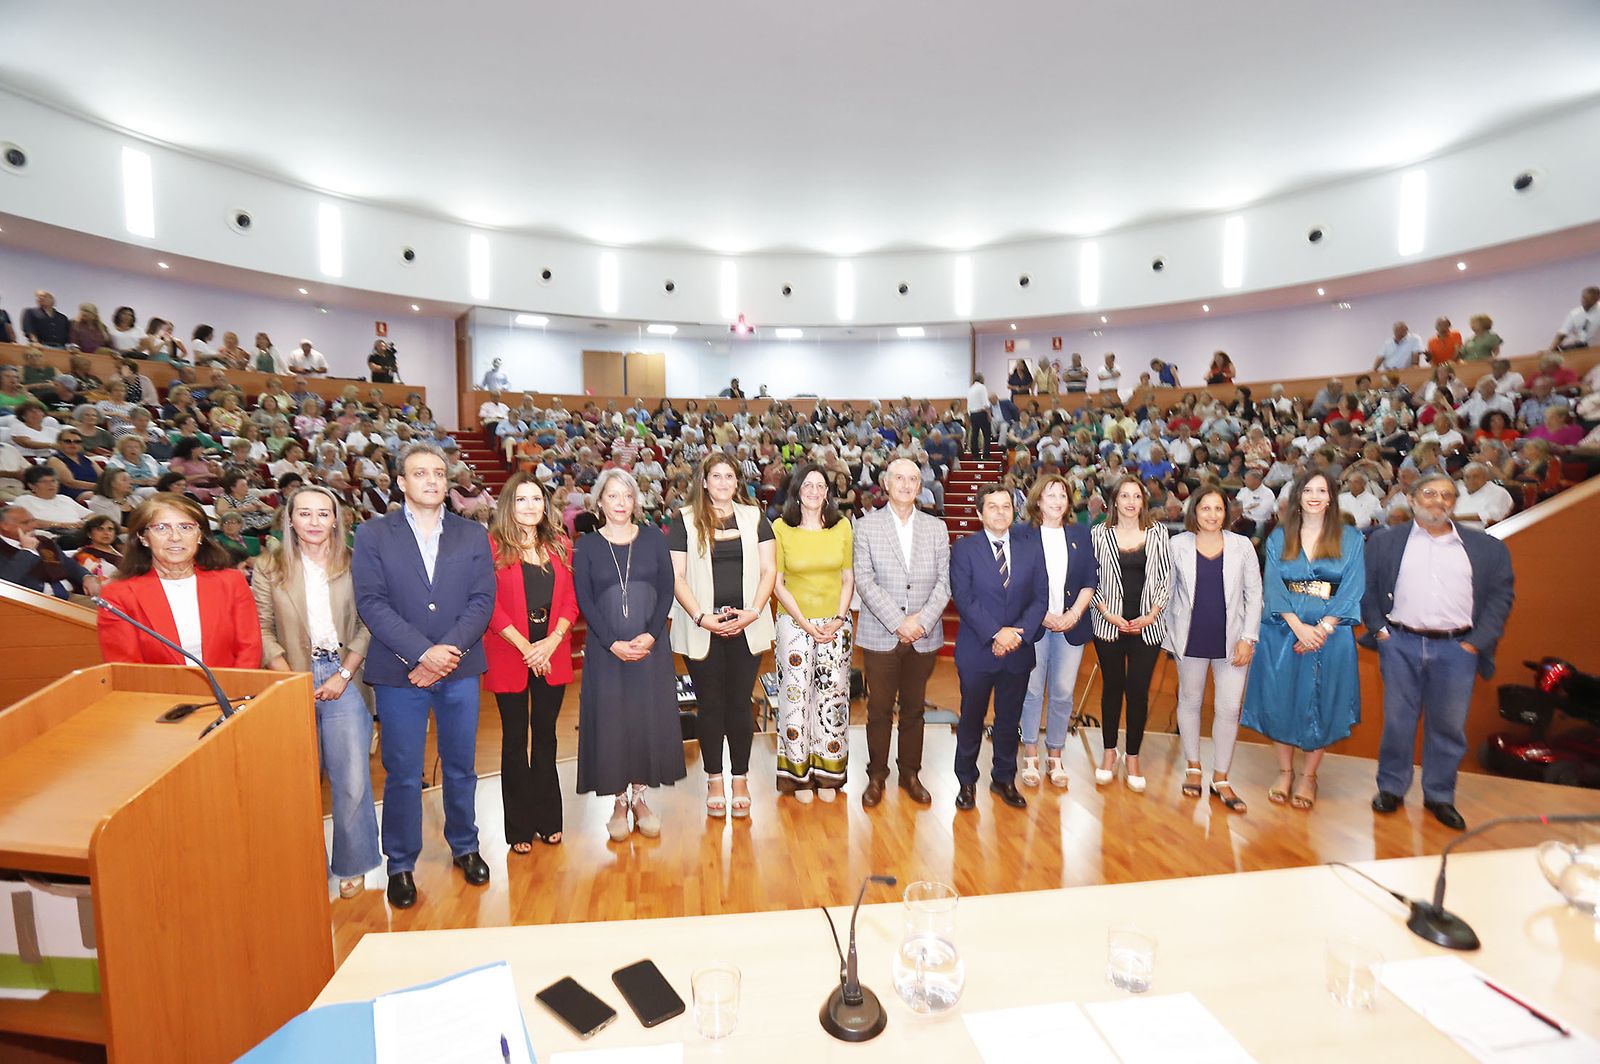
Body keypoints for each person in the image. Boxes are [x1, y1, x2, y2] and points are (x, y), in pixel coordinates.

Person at [351, 442, 496, 910]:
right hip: (399, 673)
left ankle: (465, 845)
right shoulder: (373, 535)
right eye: (420, 473)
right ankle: (400, 862)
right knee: (403, 773)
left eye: (438, 472)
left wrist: (445, 654)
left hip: (459, 669)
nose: (431, 480)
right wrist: (422, 653)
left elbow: (481, 601)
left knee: (461, 768)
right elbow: (371, 602)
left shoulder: (472, 534)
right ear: (401, 482)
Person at [1363, 473, 1515, 830]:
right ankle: (1391, 788)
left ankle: (1440, 795)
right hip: (1399, 643)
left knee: (1448, 727)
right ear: (1412, 500)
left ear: (1454, 503)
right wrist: (1380, 631)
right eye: (1429, 493)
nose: (1438, 500)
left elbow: (1500, 598)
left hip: (1457, 649)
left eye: (1446, 495)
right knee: (1398, 723)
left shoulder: (1486, 548)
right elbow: (1365, 589)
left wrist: (1475, 643)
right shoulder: (1385, 542)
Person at [254, 485, 380, 898]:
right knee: (297, 782)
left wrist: (343, 674)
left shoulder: (356, 562)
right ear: (289, 519)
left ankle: (353, 864)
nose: (313, 522)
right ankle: (302, 863)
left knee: (352, 780)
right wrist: (289, 677)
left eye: (322, 514)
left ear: (336, 520)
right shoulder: (268, 566)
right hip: (290, 676)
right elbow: (262, 627)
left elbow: (369, 623)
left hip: (345, 676)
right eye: (304, 513)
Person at [1240, 471, 1365, 810]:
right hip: (1283, 632)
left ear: (1331, 497)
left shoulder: (1351, 538)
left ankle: (1309, 776)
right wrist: (1298, 628)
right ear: (1297, 496)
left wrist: (1322, 629)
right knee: (1282, 700)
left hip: (1331, 635)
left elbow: (1353, 587)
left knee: (1322, 703)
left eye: (1321, 490)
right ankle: (1284, 771)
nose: (1314, 495)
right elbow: (1274, 585)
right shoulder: (1280, 537)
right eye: (1307, 489)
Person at [573, 468, 684, 841]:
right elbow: (585, 600)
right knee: (612, 722)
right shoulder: (587, 546)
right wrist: (612, 642)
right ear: (600, 501)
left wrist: (651, 636)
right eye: (613, 495)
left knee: (644, 720)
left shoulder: (653, 539)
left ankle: (640, 797)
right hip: (608, 652)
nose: (621, 503)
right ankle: (618, 801)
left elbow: (667, 589)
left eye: (627, 496)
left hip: (649, 649)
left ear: (635, 501)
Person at [669, 453, 777, 819]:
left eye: (729, 476)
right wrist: (702, 617)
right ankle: (714, 779)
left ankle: (741, 779)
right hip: (703, 627)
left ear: (737, 481)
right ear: (704, 481)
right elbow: (677, 577)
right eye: (716, 476)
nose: (723, 482)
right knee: (711, 705)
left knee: (739, 704)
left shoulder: (755, 517)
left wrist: (754, 612)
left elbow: (769, 569)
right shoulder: (683, 520)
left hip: (746, 625)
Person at [484, 474, 577, 851]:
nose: (529, 506)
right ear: (509, 504)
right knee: (514, 740)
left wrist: (551, 642)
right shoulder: (491, 548)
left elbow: (571, 600)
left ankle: (548, 818)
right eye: (521, 499)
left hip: (552, 652)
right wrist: (528, 648)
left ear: (545, 504)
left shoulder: (560, 546)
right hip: (510, 652)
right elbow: (488, 605)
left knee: (546, 737)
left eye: (536, 498)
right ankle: (518, 827)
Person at [852, 458, 951, 807]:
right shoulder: (865, 527)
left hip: (924, 635)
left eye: (913, 479)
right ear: (885, 483)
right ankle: (876, 775)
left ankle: (910, 772)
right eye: (899, 478)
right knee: (878, 709)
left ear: (920, 486)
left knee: (914, 710)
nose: (907, 484)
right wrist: (899, 621)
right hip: (882, 634)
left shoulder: (936, 528)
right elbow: (864, 580)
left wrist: (920, 621)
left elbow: (944, 582)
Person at [950, 483, 1049, 811]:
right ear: (979, 513)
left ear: (1013, 510)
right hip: (978, 650)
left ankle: (1004, 778)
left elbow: (1040, 597)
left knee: (1009, 719)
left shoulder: (1031, 546)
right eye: (992, 507)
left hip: (1017, 651)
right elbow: (964, 599)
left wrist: (1015, 636)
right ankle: (966, 780)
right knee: (972, 718)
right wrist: (996, 634)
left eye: (1006, 506)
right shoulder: (964, 549)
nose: (1000, 512)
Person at [1164, 486, 1263, 812]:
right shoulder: (1176, 544)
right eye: (1205, 508)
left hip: (1232, 642)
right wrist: (1165, 634)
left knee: (1229, 708)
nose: (1211, 515)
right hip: (1189, 639)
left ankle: (1221, 777)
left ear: (1227, 512)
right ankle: (1193, 767)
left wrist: (1248, 637)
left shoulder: (1242, 546)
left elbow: (1254, 596)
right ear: (1194, 511)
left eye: (1218, 509)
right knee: (1189, 702)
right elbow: (1164, 593)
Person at [770, 464, 854, 803]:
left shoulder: (842, 526)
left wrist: (837, 618)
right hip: (794, 624)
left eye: (821, 485)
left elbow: (848, 577)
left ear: (828, 492)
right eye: (808, 484)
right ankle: (798, 776)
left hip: (836, 623)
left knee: (832, 699)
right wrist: (805, 623)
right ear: (796, 490)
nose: (815, 490)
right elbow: (776, 583)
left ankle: (828, 773)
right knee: (796, 698)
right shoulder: (780, 528)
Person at [96, 493, 261, 665]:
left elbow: (249, 649)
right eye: (161, 528)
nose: (175, 537)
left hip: (230, 689)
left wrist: (233, 691)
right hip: (158, 691)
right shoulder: (117, 596)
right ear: (143, 538)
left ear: (199, 536)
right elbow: (126, 668)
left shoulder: (231, 582)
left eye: (186, 527)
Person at [1089, 476, 1173, 792]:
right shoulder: (1099, 534)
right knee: (1112, 688)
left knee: (1138, 691)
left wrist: (1152, 614)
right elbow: (1090, 579)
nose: (1130, 501)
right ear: (1114, 501)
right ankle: (1109, 752)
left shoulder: (1158, 533)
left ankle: (1133, 755)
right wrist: (1106, 612)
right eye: (1124, 495)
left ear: (1143, 502)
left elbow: (1166, 578)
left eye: (1136, 496)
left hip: (1147, 627)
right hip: (1108, 625)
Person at [1017, 474, 1096, 790]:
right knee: (1033, 691)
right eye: (1051, 495)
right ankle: (1031, 754)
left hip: (1071, 626)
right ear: (1038, 500)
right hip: (1035, 625)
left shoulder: (1080, 533)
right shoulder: (1021, 535)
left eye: (1062, 495)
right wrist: (1042, 615)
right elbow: (1016, 583)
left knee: (1063, 693)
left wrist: (1074, 613)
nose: (1057, 500)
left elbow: (1090, 579)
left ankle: (1056, 755)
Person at [0, 505, 99, 599]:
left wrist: (86, 577)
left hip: (70, 595)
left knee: (109, 606)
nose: (33, 525)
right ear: (5, 526)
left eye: (33, 521)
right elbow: (6, 581)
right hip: (31, 602)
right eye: (25, 522)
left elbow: (68, 564)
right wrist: (27, 551)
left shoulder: (44, 541)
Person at [1550, 285, 1599, 351]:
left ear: (1597, 299)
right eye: (1584, 298)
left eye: (1589, 300)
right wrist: (1551, 349)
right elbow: (1562, 334)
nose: (1584, 302)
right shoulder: (1574, 313)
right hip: (1580, 349)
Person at [966, 374, 992, 459]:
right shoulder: (982, 387)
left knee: (974, 435)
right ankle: (986, 455)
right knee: (987, 435)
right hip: (982, 413)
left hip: (973, 414)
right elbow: (985, 403)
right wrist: (989, 414)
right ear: (981, 379)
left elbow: (968, 405)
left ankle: (975, 455)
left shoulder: (970, 389)